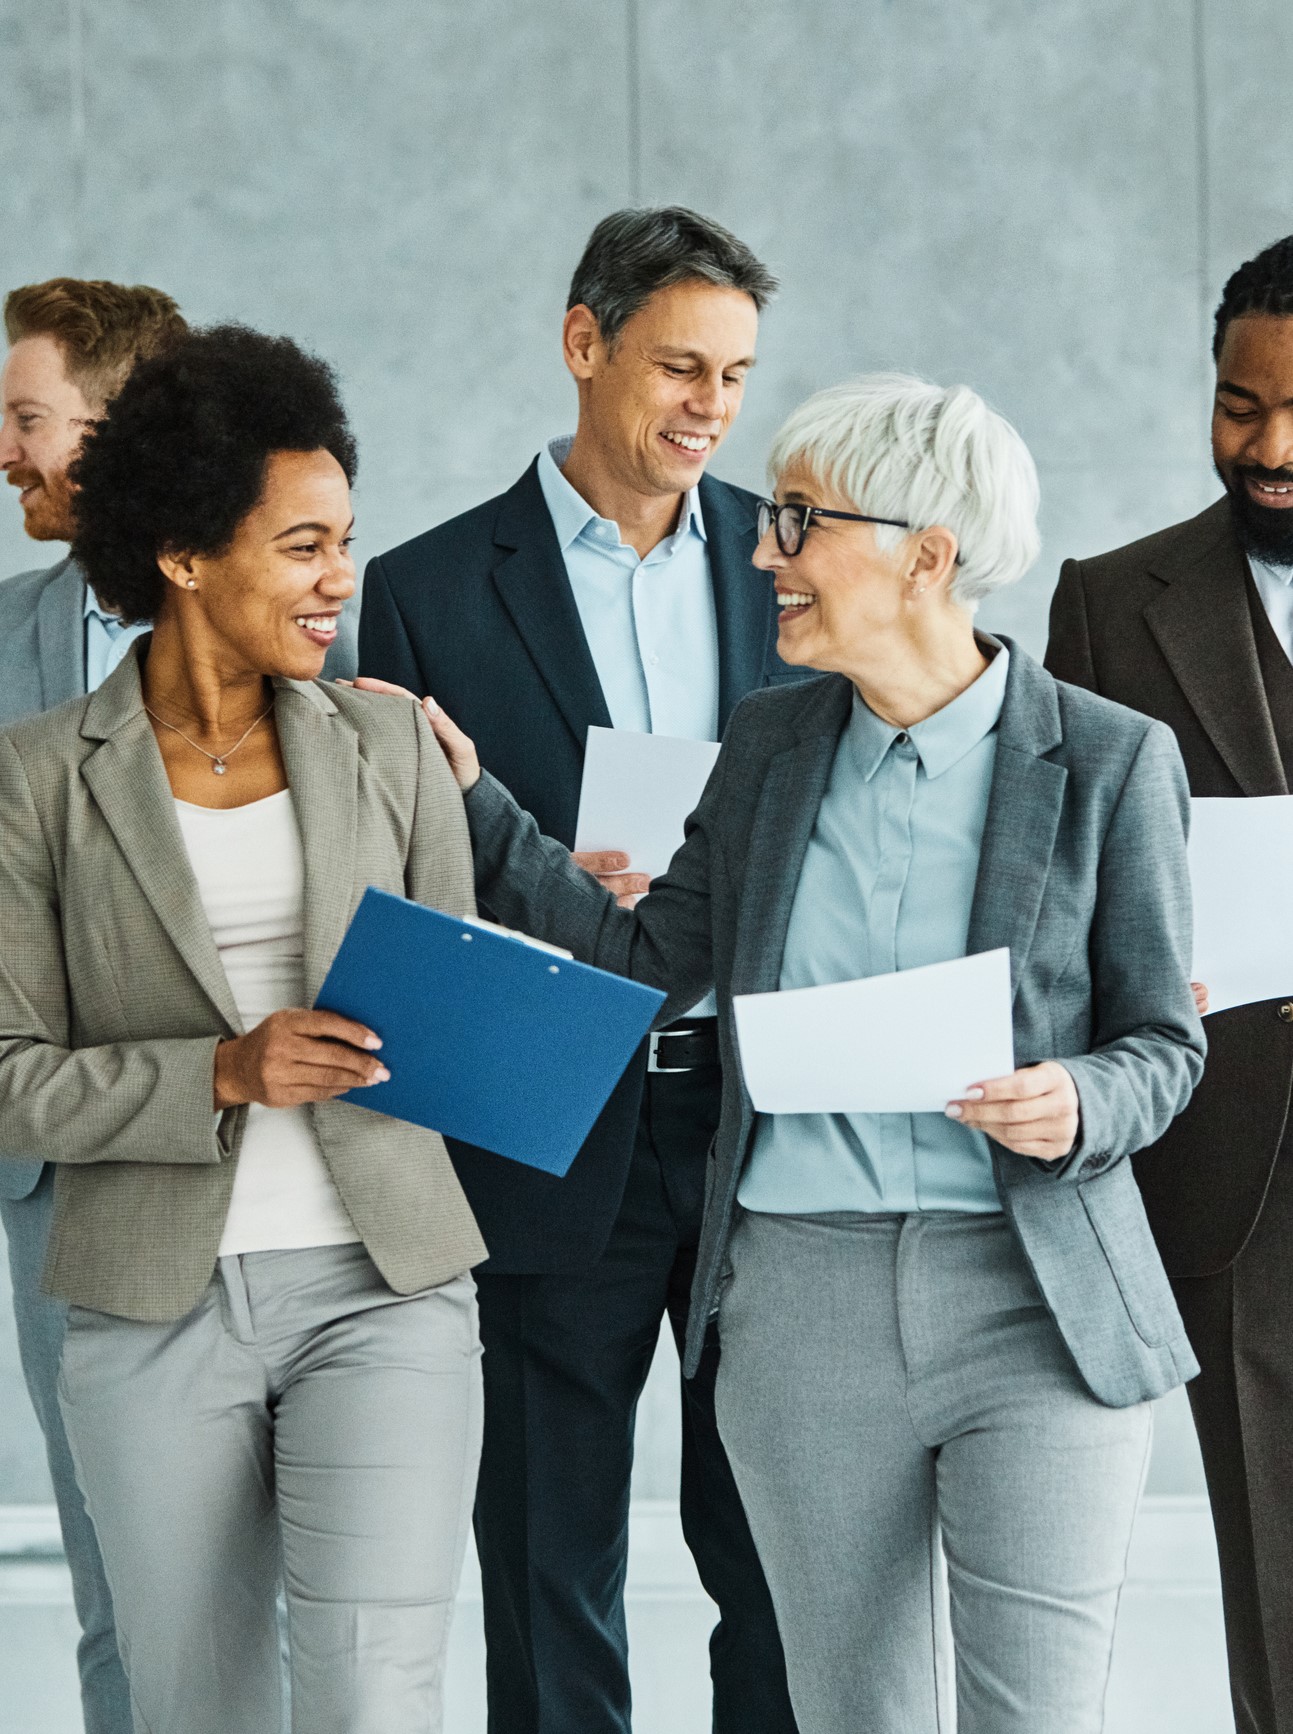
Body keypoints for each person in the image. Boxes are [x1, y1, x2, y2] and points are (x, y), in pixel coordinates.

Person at [420, 374, 1206, 1733]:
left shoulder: (1105, 759)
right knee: (848, 1712)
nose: (761, 550)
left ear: (926, 554)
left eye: (797, 521)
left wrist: (1074, 1096)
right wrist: (480, 803)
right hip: (800, 1303)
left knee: (1037, 1714)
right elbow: (645, 968)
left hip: (1033, 1301)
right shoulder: (771, 743)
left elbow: (1161, 1041)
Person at [0, 324, 484, 1734]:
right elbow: (10, 1078)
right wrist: (223, 1069)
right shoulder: (35, 779)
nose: (342, 580)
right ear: (183, 554)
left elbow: (455, 1000)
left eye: (346, 540)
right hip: (150, 1304)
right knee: (194, 1706)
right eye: (302, 546)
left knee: (372, 1700)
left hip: (383, 1288)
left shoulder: (386, 744)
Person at [359, 206, 799, 1734]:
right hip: (550, 1123)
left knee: (775, 1562)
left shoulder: (786, 559)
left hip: (761, 1133)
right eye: (682, 365)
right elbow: (402, 876)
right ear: (581, 342)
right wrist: (540, 873)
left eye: (736, 375)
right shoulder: (423, 589)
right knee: (549, 1561)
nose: (710, 406)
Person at [1045, 233, 1293, 1734]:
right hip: (1231, 1165)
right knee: (1271, 1555)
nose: (1268, 450)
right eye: (1236, 406)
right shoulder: (1104, 604)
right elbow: (1057, 892)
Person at [0, 276, 191, 1734]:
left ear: (114, 430)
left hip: (259, 1162)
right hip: (58, 1178)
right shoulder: (4, 634)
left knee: (280, 1567)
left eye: (25, 416)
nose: (4, 451)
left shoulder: (285, 612)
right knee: (114, 1578)